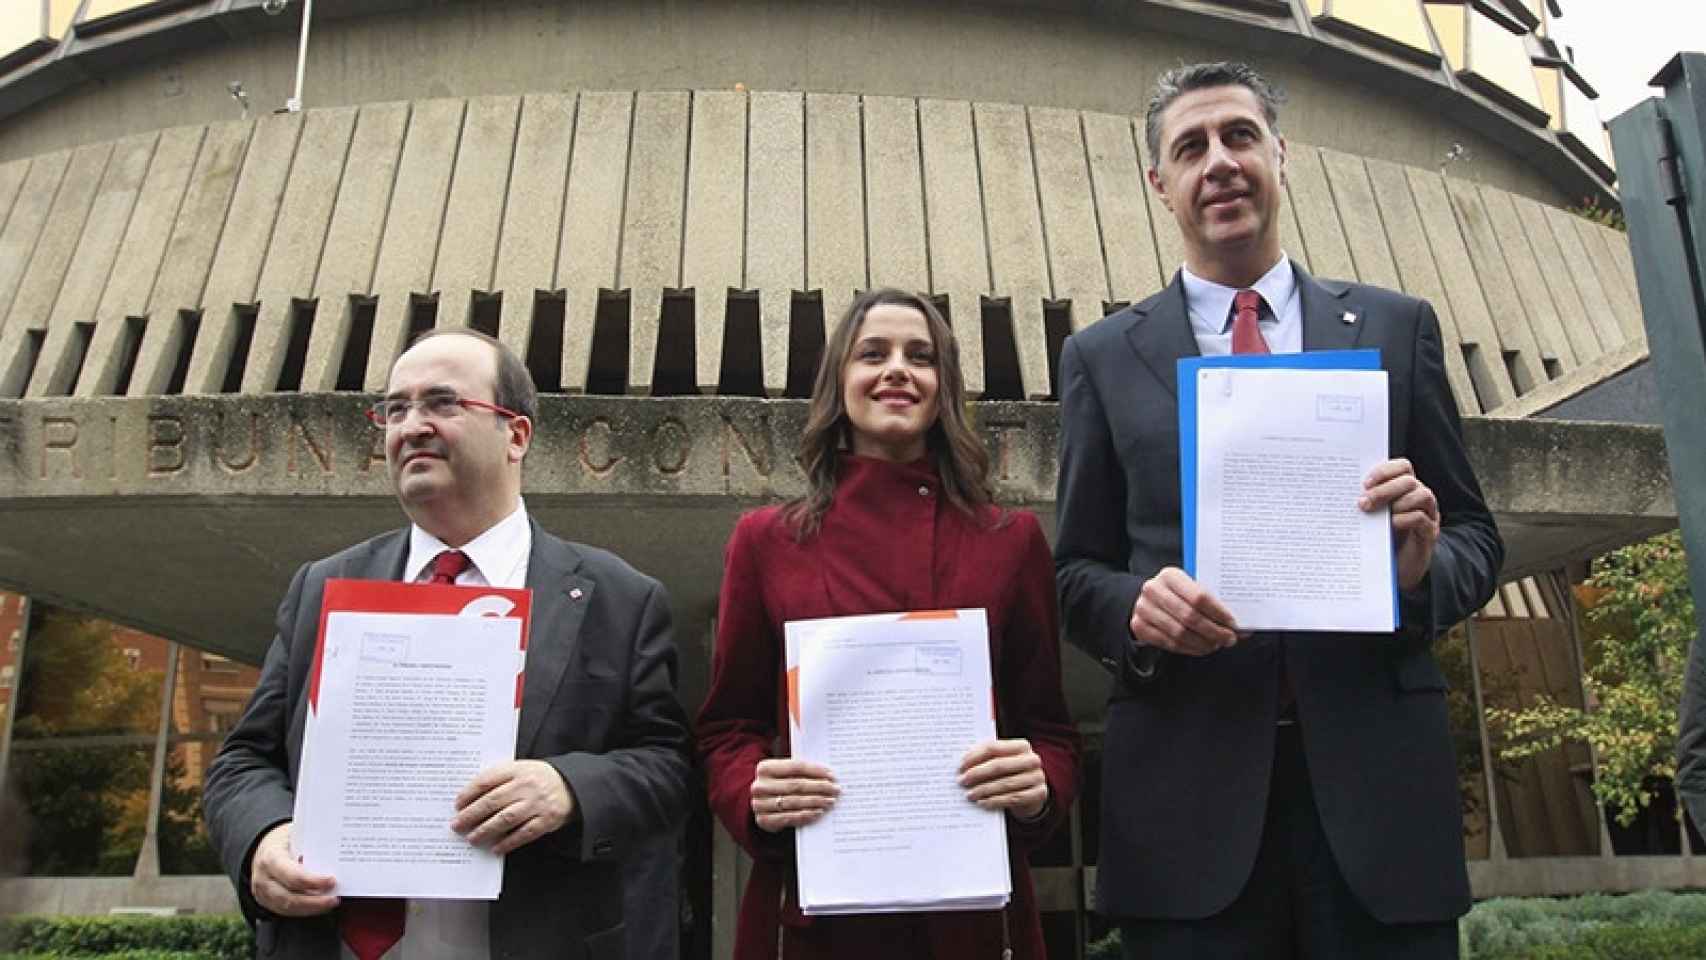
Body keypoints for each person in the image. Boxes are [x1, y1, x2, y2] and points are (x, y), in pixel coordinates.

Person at [1054, 62, 1503, 958]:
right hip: (1187, 807)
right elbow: (1076, 574)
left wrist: (1418, 571)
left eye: (1239, 137)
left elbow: (1476, 538)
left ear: (1281, 156)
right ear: (1160, 184)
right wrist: (1136, 611)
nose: (1218, 162)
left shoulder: (1393, 328)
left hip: (1378, 800)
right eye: (1190, 147)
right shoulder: (1102, 356)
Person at [202, 328, 692, 960]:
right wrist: (263, 839)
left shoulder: (617, 597)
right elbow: (243, 761)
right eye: (396, 408)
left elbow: (668, 766)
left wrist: (570, 789)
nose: (412, 425)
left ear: (516, 435)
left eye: (441, 403)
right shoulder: (325, 587)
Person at [697, 288, 1080, 959]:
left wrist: (1038, 782)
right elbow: (727, 729)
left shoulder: (1009, 540)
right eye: (873, 353)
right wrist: (752, 788)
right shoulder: (765, 540)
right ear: (838, 382)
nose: (898, 369)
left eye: (921, 356)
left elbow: (1050, 730)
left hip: (972, 917)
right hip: (812, 915)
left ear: (944, 388)